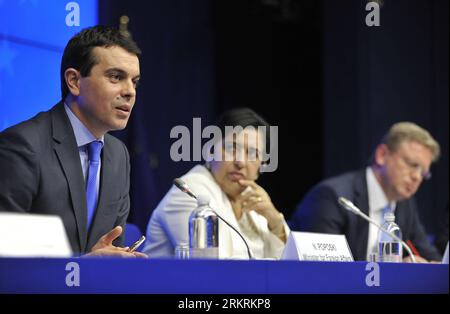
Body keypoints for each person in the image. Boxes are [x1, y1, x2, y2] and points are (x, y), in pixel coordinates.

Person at [0, 26, 146, 258]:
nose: (130, 91)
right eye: (116, 77)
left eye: (134, 81)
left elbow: (111, 250)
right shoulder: (23, 146)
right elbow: (6, 259)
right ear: (74, 81)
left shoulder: (119, 155)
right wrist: (83, 266)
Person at [143, 108, 289, 259]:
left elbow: (290, 265)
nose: (240, 161)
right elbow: (215, 268)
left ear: (261, 166)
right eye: (232, 148)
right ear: (210, 150)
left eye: (253, 154)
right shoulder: (190, 193)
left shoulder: (254, 201)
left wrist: (275, 221)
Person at [290, 122, 442, 262]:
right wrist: (395, 273)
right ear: (382, 155)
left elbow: (432, 259)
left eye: (423, 173)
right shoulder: (333, 198)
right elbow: (327, 270)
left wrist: (421, 265)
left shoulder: (405, 204)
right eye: (412, 164)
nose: (417, 177)